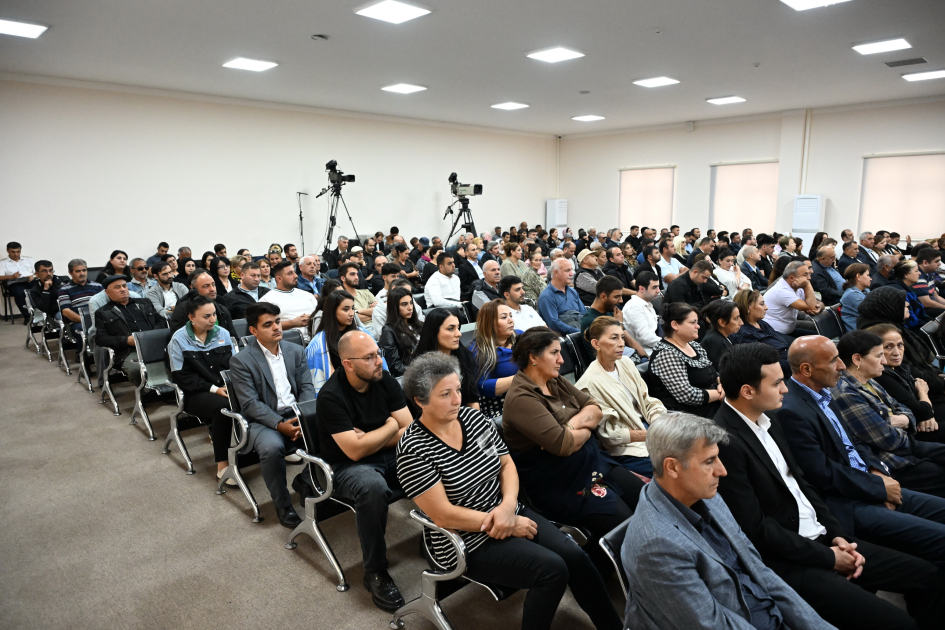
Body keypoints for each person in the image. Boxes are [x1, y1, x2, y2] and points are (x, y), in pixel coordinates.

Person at [713, 342, 944, 630]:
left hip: (824, 536)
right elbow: (756, 528)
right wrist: (829, 556)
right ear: (748, 391)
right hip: (794, 559)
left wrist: (838, 536)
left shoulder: (768, 418)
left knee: (928, 575)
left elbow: (803, 484)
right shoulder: (725, 442)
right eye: (777, 383)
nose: (785, 389)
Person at [398, 354, 624, 630]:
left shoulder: (472, 419)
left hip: (507, 510)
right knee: (551, 570)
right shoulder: (413, 449)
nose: (457, 399)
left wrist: (507, 507)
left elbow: (506, 465)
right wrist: (506, 522)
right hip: (465, 537)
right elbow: (444, 515)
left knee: (576, 557)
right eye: (445, 394)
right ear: (420, 401)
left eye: (457, 389)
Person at [621, 412, 833, 630]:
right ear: (672, 467)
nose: (722, 471)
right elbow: (713, 625)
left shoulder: (707, 495)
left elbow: (758, 570)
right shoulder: (656, 546)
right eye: (709, 461)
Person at [779, 335, 945, 571]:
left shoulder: (825, 393)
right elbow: (822, 473)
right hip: (849, 502)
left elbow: (854, 443)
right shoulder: (792, 411)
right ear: (807, 369)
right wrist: (876, 488)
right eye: (834, 360)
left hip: (871, 480)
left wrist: (878, 473)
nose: (841, 366)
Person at [501, 327, 645, 573]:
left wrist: (570, 427)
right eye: (554, 353)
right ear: (533, 357)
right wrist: (581, 428)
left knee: (647, 501)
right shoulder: (521, 398)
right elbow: (563, 446)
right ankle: (605, 573)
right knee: (627, 526)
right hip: (562, 481)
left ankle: (612, 566)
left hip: (593, 463)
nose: (561, 360)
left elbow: (595, 409)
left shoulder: (553, 380)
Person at [313, 331, 412, 611]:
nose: (379, 361)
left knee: (429, 458)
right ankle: (375, 571)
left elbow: (410, 429)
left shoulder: (384, 379)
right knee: (372, 487)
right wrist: (391, 425)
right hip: (345, 466)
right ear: (348, 364)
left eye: (378, 354)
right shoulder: (331, 396)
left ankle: (438, 539)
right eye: (369, 357)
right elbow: (354, 452)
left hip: (387, 455)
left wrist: (370, 438)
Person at [830, 330, 945, 499]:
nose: (884, 361)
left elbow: (905, 410)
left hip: (907, 445)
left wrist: (901, 420)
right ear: (857, 359)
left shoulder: (869, 379)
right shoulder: (846, 392)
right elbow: (888, 440)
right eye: (879, 356)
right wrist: (903, 422)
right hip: (895, 462)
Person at [227, 303, 313, 528]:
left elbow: (306, 388)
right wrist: (280, 424)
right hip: (262, 420)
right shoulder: (241, 360)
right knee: (272, 448)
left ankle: (306, 481)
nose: (276, 327)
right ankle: (283, 505)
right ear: (253, 331)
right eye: (268, 324)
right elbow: (250, 404)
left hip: (295, 412)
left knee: (335, 431)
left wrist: (303, 417)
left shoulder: (296, 350)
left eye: (277, 321)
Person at [575, 317, 666, 476]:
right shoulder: (588, 384)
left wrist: (657, 423)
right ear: (596, 344)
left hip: (650, 428)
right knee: (676, 467)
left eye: (622, 337)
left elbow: (647, 400)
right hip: (628, 448)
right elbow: (608, 435)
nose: (622, 343)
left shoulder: (626, 363)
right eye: (614, 338)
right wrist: (650, 435)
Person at [167, 295, 237, 485]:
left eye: (214, 314)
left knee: (252, 397)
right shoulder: (178, 339)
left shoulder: (222, 333)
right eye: (206, 316)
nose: (212, 319)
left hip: (223, 387)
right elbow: (181, 376)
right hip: (194, 393)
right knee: (223, 408)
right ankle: (223, 465)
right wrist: (214, 389)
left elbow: (234, 365)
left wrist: (231, 385)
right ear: (191, 317)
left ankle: (261, 449)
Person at [868, 323, 945, 442]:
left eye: (900, 345)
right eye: (888, 347)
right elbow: (921, 412)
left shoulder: (901, 367)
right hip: (912, 433)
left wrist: (928, 413)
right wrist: (922, 392)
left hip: (927, 420)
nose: (897, 352)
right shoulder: (881, 375)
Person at [648, 302, 723, 418]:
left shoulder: (694, 345)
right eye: (693, 322)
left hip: (711, 406)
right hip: (687, 416)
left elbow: (713, 373)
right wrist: (722, 394)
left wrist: (722, 384)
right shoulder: (666, 354)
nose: (698, 326)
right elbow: (687, 396)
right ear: (675, 325)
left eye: (697, 322)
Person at [94, 275, 168, 387]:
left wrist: (152, 335)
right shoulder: (103, 312)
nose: (123, 289)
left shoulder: (144, 303)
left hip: (154, 345)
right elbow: (101, 339)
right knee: (137, 370)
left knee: (178, 362)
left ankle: (173, 389)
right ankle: (147, 391)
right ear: (108, 292)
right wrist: (125, 340)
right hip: (129, 351)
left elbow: (161, 321)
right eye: (117, 287)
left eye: (124, 286)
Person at [305, 289, 374, 395]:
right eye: (346, 309)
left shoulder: (362, 334)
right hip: (339, 393)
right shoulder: (319, 343)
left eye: (353, 308)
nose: (351, 313)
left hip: (367, 388)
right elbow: (322, 378)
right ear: (332, 311)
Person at [413, 308, 480, 410]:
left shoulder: (465, 356)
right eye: (450, 329)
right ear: (434, 332)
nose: (459, 333)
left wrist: (474, 418)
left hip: (465, 414)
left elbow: (473, 400)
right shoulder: (420, 367)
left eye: (458, 328)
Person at [470, 300, 520, 417]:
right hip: (502, 405)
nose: (510, 320)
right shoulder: (478, 350)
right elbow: (482, 386)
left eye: (510, 316)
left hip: (531, 394)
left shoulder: (520, 336)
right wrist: (520, 378)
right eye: (504, 317)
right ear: (489, 323)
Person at [580, 276, 647, 359]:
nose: (621, 301)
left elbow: (630, 341)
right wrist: (619, 324)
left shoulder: (612, 313)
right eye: (616, 297)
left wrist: (648, 360)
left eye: (621, 296)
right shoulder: (590, 321)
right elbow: (613, 348)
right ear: (603, 297)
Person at [729, 289, 791, 377]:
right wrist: (795, 362)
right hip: (778, 374)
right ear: (748, 307)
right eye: (762, 304)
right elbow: (764, 365)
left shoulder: (761, 323)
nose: (766, 307)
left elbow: (781, 343)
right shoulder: (743, 333)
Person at [170, 271, 239, 339]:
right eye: (206, 286)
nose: (212, 289)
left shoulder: (222, 309)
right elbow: (179, 340)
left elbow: (233, 338)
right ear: (194, 290)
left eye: (213, 285)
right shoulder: (182, 310)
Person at [763, 261, 822, 339]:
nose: (809, 278)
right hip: (773, 332)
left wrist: (820, 305)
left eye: (809, 274)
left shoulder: (797, 286)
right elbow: (812, 306)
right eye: (805, 275)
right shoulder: (782, 290)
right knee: (809, 343)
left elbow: (815, 303)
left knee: (818, 336)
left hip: (788, 329)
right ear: (792, 278)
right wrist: (807, 285)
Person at [259, 261, 318, 337]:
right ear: (279, 279)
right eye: (290, 273)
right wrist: (292, 323)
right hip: (288, 339)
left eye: (294, 272)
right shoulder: (267, 300)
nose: (295, 275)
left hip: (317, 337)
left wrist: (313, 319)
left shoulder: (308, 295)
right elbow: (265, 326)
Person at [378, 287, 422, 378]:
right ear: (394, 307)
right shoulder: (389, 331)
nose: (410, 308)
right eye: (404, 304)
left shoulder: (420, 325)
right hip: (409, 376)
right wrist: (420, 370)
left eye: (411, 303)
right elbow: (395, 367)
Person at [537, 258, 586, 335]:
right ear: (556, 273)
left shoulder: (572, 292)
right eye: (567, 270)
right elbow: (554, 324)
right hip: (566, 337)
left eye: (571, 270)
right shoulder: (546, 296)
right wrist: (579, 332)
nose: (571, 274)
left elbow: (584, 314)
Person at [621, 270, 662, 358]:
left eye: (658, 287)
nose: (658, 291)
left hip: (654, 348)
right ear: (642, 289)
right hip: (647, 354)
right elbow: (645, 337)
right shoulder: (634, 307)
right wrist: (670, 344)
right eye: (654, 287)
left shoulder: (646, 304)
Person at [57, 259, 104, 336]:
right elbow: (66, 311)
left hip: (99, 319)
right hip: (79, 322)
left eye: (84, 270)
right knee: (86, 331)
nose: (82, 273)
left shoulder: (98, 286)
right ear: (70, 273)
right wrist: (86, 320)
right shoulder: (64, 290)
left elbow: (106, 304)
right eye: (78, 271)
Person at [0, 241, 38, 321]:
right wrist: (12, 276)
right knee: (20, 293)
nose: (16, 254)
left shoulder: (28, 260)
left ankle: (40, 315)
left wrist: (34, 276)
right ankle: (28, 317)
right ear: (7, 251)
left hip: (30, 280)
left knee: (40, 290)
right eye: (13, 252)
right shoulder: (3, 263)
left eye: (18, 251)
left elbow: (38, 272)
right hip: (15, 283)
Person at [701, 299, 742, 369]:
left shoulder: (720, 337)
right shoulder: (716, 342)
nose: (741, 322)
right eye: (736, 318)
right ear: (722, 322)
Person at [839, 263, 871, 332]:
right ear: (858, 277)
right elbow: (874, 313)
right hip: (860, 334)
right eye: (868, 275)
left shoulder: (865, 291)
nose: (870, 279)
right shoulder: (852, 295)